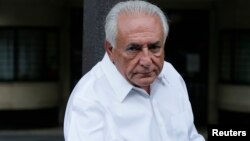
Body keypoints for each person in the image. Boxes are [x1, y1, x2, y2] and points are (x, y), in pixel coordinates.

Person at [64, 1, 205, 141]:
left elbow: (190, 136)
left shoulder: (171, 75)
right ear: (110, 49)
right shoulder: (88, 99)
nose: (146, 61)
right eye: (133, 49)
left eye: (154, 47)